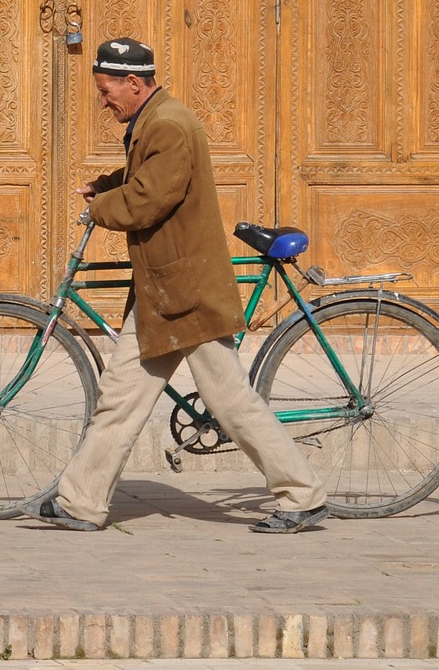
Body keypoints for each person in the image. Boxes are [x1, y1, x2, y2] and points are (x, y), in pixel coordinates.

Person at [25, 37, 330, 534]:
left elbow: (148, 199)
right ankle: (80, 501)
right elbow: (150, 176)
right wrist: (107, 184)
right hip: (162, 292)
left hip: (185, 292)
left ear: (133, 82)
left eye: (107, 91)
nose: (104, 102)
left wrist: (100, 207)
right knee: (121, 397)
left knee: (230, 401)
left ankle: (302, 494)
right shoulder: (155, 121)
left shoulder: (168, 124)